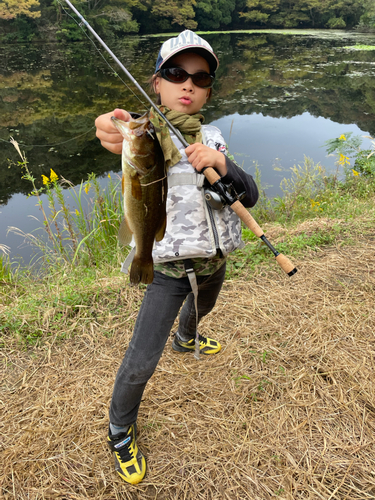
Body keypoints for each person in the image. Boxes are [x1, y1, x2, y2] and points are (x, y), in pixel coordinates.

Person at [95, 30, 259, 485]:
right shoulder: (142, 133)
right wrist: (112, 127)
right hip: (164, 268)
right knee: (142, 358)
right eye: (176, 73)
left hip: (214, 260)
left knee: (202, 309)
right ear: (158, 82)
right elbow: (113, 131)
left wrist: (222, 166)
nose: (188, 84)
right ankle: (120, 429)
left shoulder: (213, 136)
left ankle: (187, 338)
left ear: (208, 88)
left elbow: (250, 195)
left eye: (200, 77)